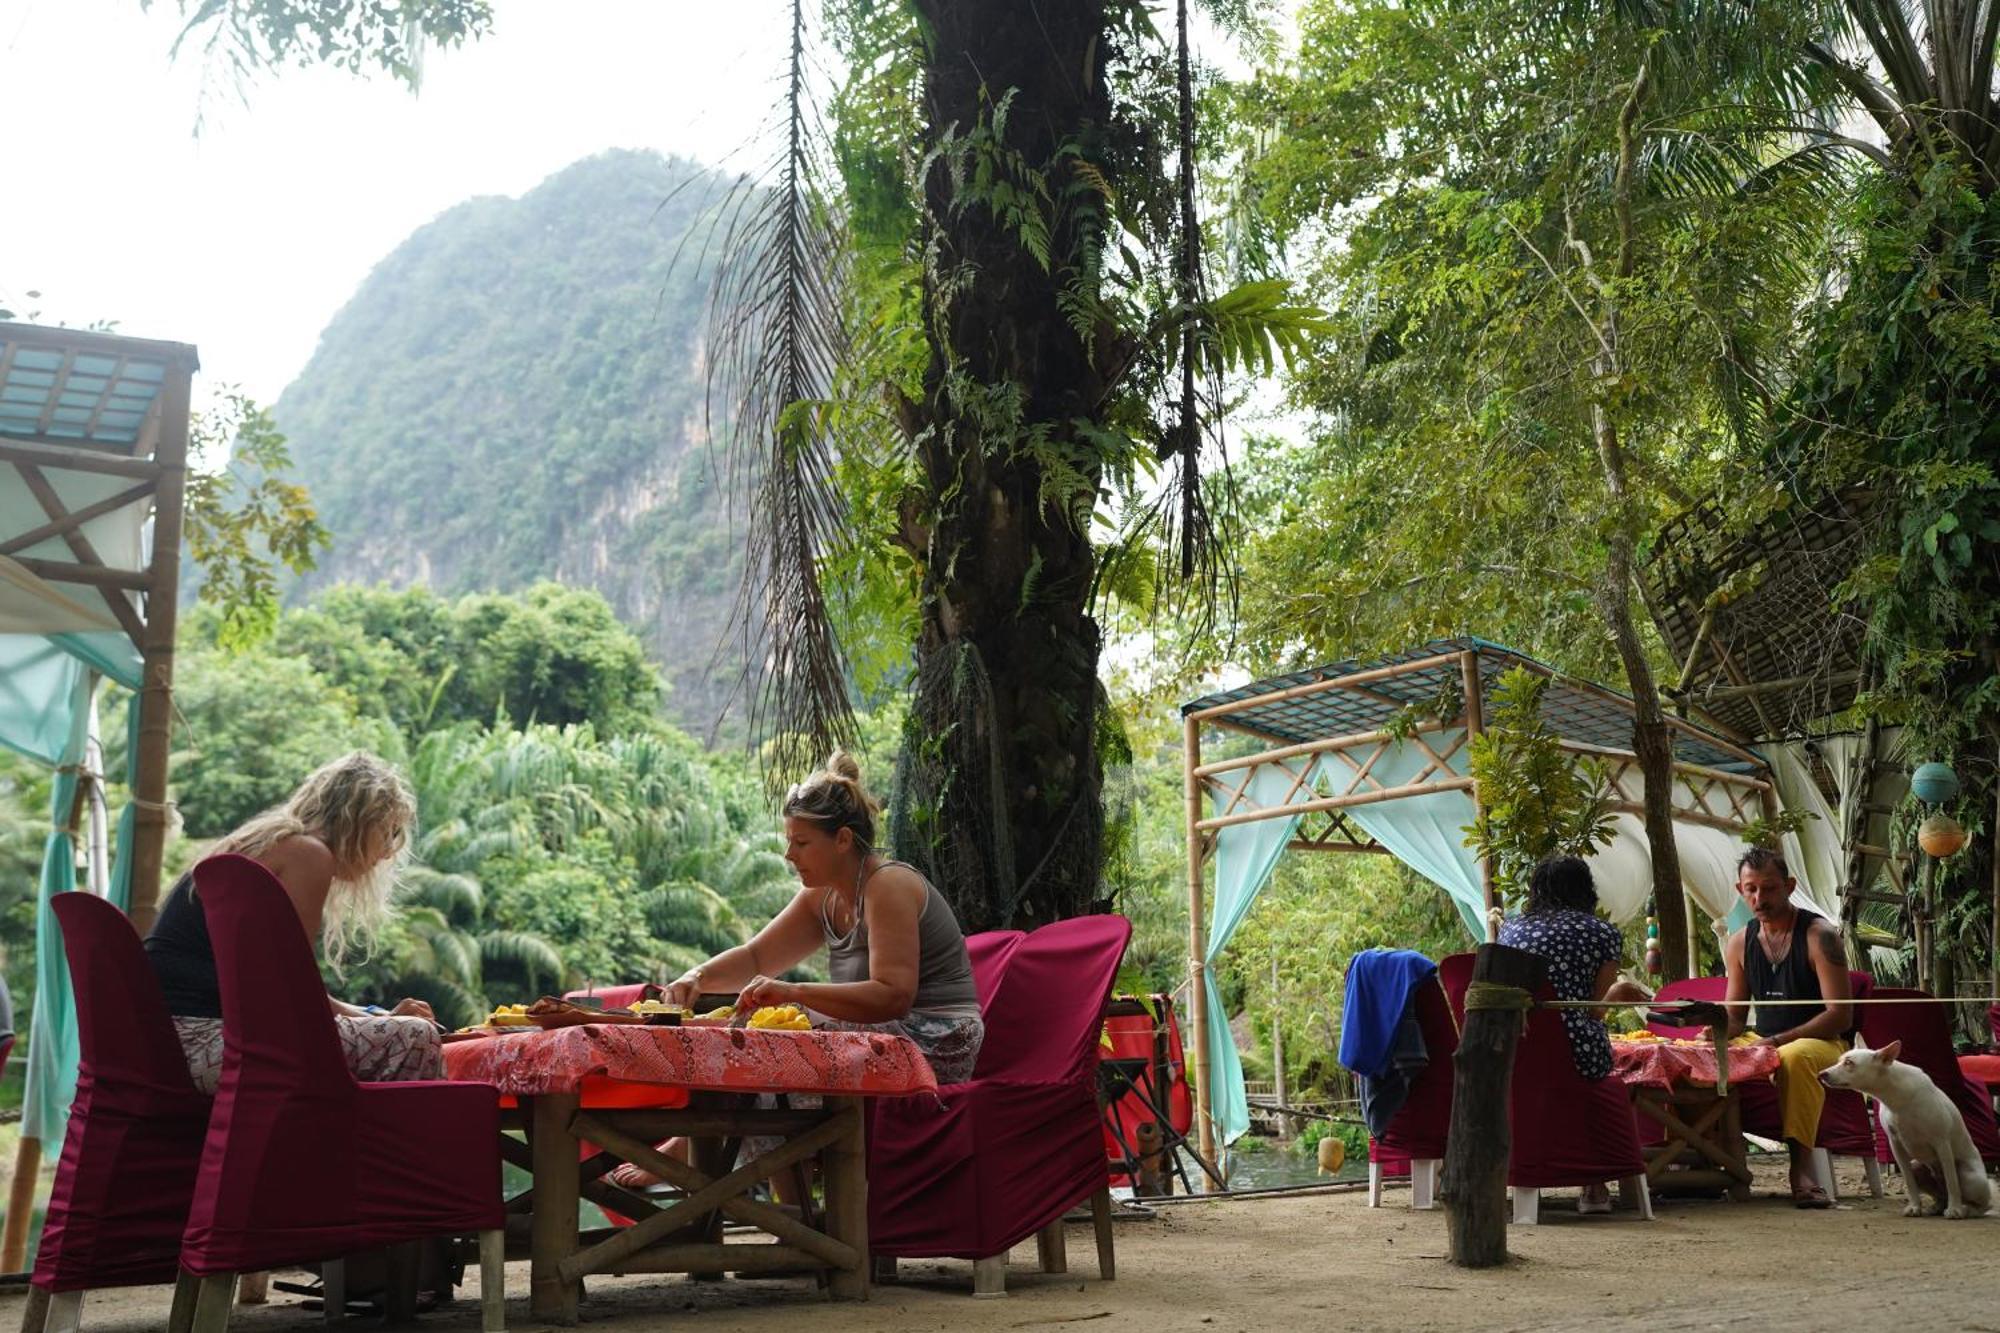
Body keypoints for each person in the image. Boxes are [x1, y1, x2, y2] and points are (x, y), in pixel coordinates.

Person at [611, 752, 983, 1192]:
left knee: (768, 1052)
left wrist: (795, 994)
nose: (789, 855)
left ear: (842, 839)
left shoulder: (889, 885)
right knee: (757, 1055)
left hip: (934, 1037)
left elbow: (892, 996)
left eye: (802, 843)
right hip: (876, 1033)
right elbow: (754, 958)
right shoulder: (820, 897)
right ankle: (794, 1223)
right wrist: (698, 976)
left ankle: (706, 1157)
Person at [145, 751, 441, 1094]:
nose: (389, 852)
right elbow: (295, 996)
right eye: (388, 832)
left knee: (397, 1030)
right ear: (361, 819)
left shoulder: (268, 842)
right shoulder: (307, 854)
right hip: (204, 1046)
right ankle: (385, 1148)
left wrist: (377, 1016)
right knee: (416, 1037)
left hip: (163, 1042)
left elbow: (287, 984)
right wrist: (387, 1021)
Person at [1498, 855, 1653, 1214]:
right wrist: (1619, 994)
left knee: (1549, 1073)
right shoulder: (1601, 933)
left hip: (1514, 1054)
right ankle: (1594, 1185)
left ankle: (1527, 1184)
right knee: (1599, 1071)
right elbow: (1596, 1011)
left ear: (1536, 890)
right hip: (1575, 1056)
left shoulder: (1510, 930)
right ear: (1587, 890)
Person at [1713, 846, 1852, 1209]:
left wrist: (1776, 1041)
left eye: (1770, 888)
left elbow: (1840, 1015)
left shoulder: (1820, 935)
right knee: (1700, 1055)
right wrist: (1712, 1032)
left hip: (1822, 1043)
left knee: (1794, 1056)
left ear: (1789, 886)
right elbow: (1736, 1018)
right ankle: (1694, 1162)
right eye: (1751, 889)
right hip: (1763, 1039)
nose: (1760, 898)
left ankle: (1802, 1169)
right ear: (1740, 889)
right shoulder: (1740, 941)